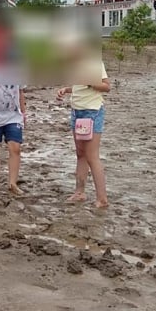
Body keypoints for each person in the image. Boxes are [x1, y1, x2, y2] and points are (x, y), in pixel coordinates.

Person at [56, 62, 110, 208]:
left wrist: (91, 82)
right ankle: (79, 192)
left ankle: (102, 199)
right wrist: (66, 90)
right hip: (77, 111)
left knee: (92, 156)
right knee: (81, 154)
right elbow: (79, 87)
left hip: (92, 111)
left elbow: (106, 86)